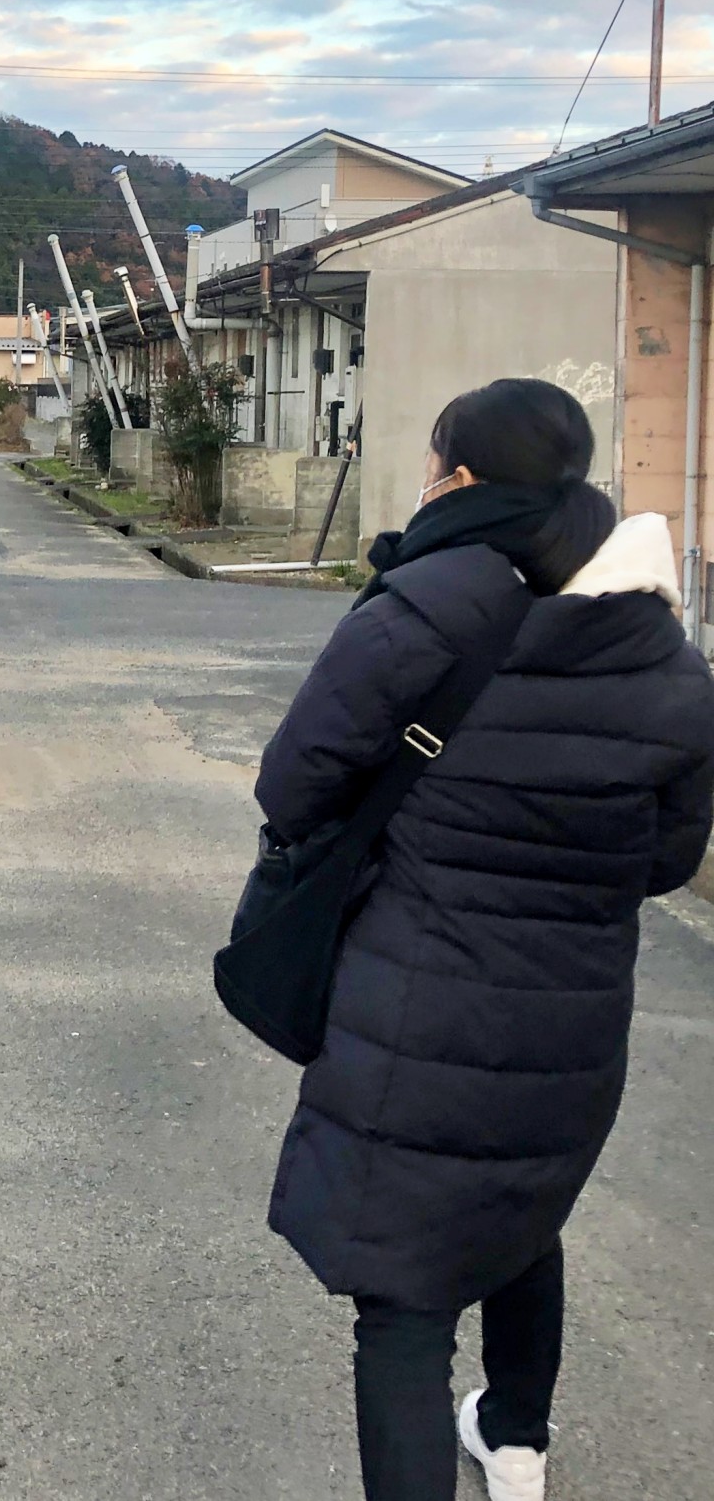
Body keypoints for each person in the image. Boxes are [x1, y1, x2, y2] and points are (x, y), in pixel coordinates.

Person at [254, 378, 714, 1501]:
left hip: (411, 1014)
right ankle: (512, 1443)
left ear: (454, 477)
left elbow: (292, 783)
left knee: (402, 1304)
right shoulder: (660, 647)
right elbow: (665, 856)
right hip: (571, 1024)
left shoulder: (422, 602)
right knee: (515, 1212)